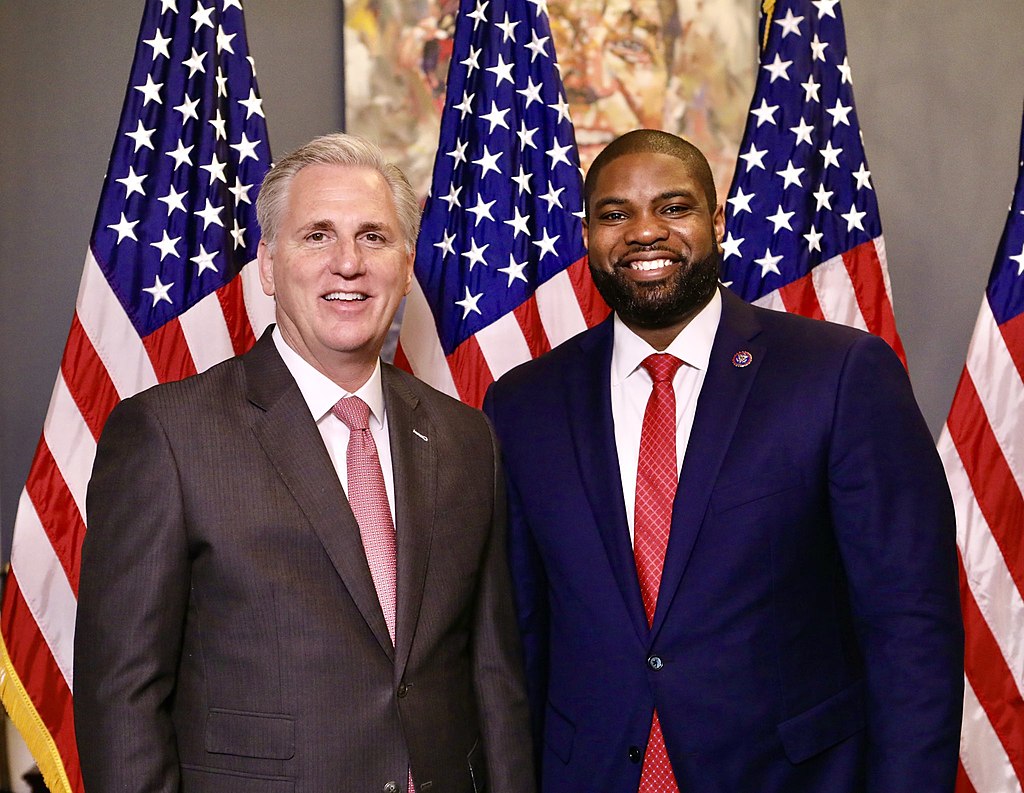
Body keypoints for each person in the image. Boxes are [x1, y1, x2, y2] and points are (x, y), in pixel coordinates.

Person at [483, 129, 963, 792]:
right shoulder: (522, 405)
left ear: (716, 220)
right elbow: (521, 636)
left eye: (673, 207)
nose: (643, 232)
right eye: (615, 214)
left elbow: (911, 622)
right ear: (588, 235)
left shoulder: (839, 373)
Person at [74, 133, 534, 793]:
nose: (348, 263)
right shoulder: (166, 436)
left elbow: (494, 675)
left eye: (374, 237)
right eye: (317, 235)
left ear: (406, 266)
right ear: (267, 264)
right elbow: (121, 697)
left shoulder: (467, 438)